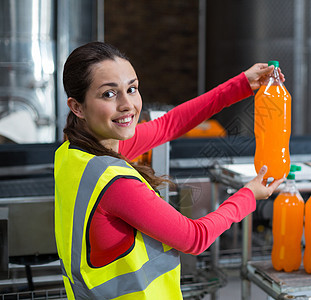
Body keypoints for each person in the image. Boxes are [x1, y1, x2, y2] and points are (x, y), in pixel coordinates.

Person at [54, 41, 285, 299]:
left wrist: (241, 84)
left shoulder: (72, 154)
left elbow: (169, 124)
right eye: (109, 94)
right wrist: (249, 195)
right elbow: (195, 238)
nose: (127, 104)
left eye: (132, 89)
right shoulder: (115, 183)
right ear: (77, 107)